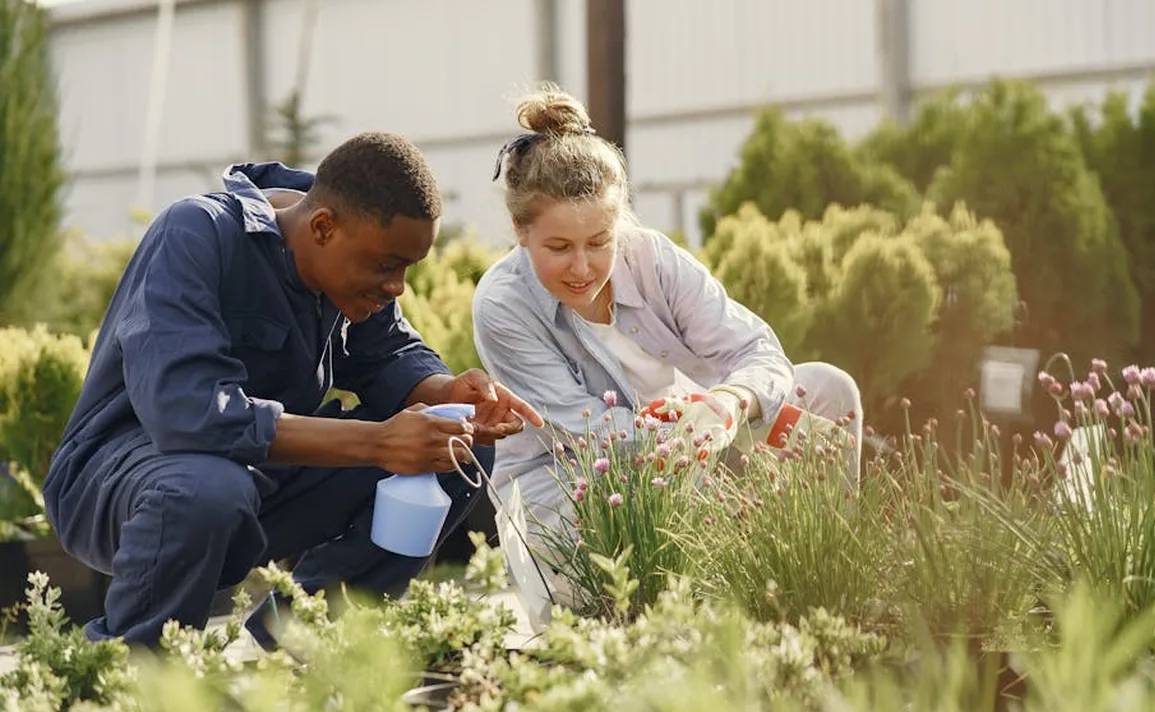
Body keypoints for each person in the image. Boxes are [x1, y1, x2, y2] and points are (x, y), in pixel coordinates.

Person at [43, 132, 543, 648]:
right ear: (323, 227)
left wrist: (446, 393)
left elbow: (391, 358)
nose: (397, 287)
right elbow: (190, 415)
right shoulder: (197, 233)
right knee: (208, 486)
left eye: (406, 270)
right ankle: (130, 672)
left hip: (250, 479)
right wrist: (379, 442)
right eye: (387, 266)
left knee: (454, 446)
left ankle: (307, 633)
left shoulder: (351, 235)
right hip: (120, 480)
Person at [472, 84, 862, 559]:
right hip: (574, 483)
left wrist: (732, 402)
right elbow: (586, 432)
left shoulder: (651, 257)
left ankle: (825, 574)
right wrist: (705, 433)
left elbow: (756, 351)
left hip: (697, 449)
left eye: (599, 242)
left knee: (829, 389)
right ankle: (735, 583)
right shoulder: (502, 304)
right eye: (559, 248)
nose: (582, 267)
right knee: (681, 478)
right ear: (520, 231)